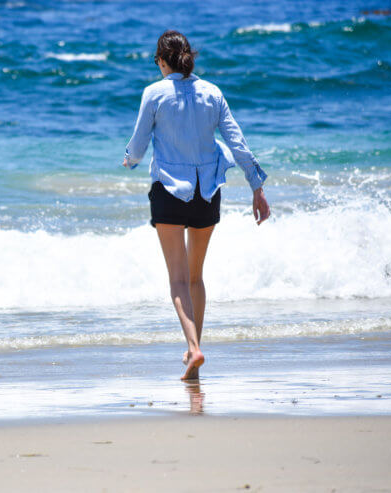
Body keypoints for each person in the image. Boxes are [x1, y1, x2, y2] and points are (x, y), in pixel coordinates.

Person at [122, 30, 271, 380]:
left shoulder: (154, 93)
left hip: (169, 192)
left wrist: (128, 160)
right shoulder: (212, 92)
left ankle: (194, 348)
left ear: (161, 61)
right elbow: (237, 142)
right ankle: (194, 349)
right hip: (207, 193)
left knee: (176, 279)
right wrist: (257, 186)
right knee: (195, 277)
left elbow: (138, 147)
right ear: (189, 56)